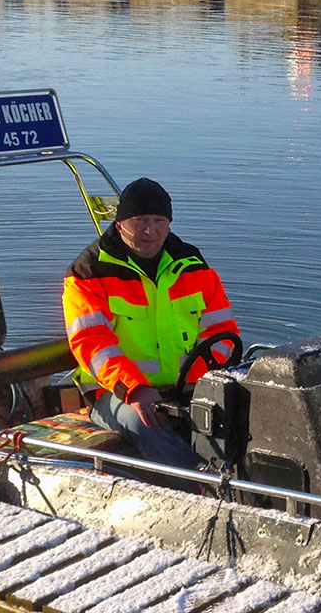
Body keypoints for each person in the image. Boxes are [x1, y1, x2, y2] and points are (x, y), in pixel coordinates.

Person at [62, 177, 239, 468]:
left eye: (158, 220)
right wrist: (136, 390)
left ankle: (252, 485)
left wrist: (197, 385)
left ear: (169, 223)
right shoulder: (88, 273)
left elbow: (222, 332)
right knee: (146, 422)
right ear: (120, 223)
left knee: (247, 407)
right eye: (140, 220)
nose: (150, 230)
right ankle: (201, 489)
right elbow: (92, 344)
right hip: (115, 393)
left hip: (187, 387)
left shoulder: (193, 265)